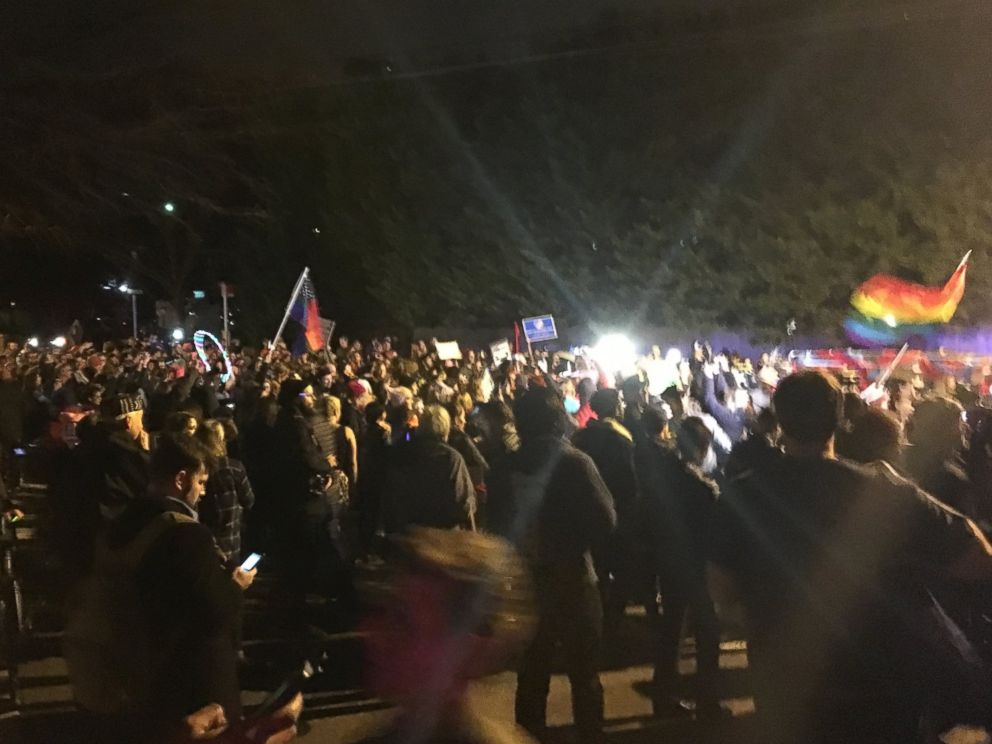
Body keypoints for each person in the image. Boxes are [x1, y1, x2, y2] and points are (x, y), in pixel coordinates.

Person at [710, 371, 992, 744]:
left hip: (783, 688)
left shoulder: (739, 497)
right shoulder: (881, 490)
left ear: (778, 419)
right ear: (842, 418)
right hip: (876, 688)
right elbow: (978, 559)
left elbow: (724, 602)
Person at [68, 435, 256, 740]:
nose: (204, 492)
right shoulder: (186, 535)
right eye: (202, 481)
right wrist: (235, 585)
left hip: (136, 671)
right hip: (188, 681)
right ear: (182, 479)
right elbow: (216, 611)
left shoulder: (124, 521)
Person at [487, 387, 616, 743]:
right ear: (557, 419)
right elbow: (606, 520)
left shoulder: (503, 468)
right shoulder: (575, 462)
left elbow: (493, 527)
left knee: (531, 678)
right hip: (574, 578)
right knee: (585, 676)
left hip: (525, 585)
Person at [641, 416, 722, 718]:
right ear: (702, 449)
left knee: (671, 632)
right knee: (708, 634)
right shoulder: (701, 487)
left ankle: (664, 698)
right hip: (697, 567)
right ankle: (707, 702)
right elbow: (713, 531)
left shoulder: (661, 477)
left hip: (668, 561)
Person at [572, 388, 638, 634]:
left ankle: (596, 622)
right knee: (622, 571)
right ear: (613, 407)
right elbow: (629, 482)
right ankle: (611, 623)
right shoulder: (621, 439)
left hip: (587, 514)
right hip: (617, 513)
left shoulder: (581, 437)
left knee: (597, 571)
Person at [382, 405, 475, 533]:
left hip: (407, 529)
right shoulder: (451, 458)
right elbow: (463, 503)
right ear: (445, 428)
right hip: (442, 534)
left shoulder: (403, 451)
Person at [197, 420, 256, 567]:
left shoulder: (197, 469)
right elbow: (249, 500)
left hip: (204, 537)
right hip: (231, 537)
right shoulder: (234, 468)